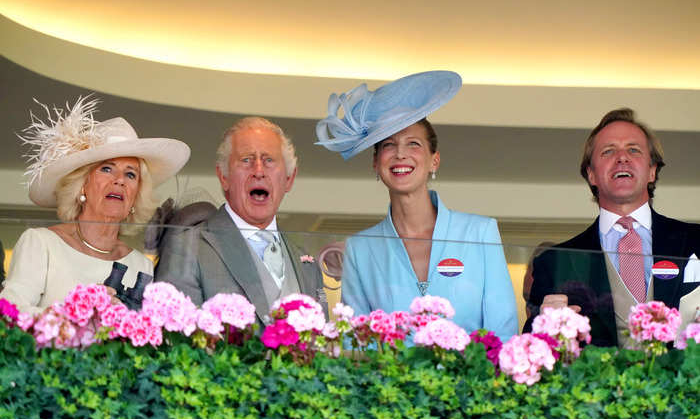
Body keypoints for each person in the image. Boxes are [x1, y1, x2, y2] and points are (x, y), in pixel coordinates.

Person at [316, 71, 518, 342]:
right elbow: (359, 346)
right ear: (375, 164)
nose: (400, 154)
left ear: (434, 161)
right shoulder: (359, 249)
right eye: (389, 145)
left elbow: (502, 336)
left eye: (413, 144)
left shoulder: (480, 233)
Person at [526, 108, 700, 347]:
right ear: (591, 175)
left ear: (652, 171)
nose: (622, 157)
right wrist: (546, 331)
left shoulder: (695, 240)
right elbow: (531, 350)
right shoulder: (555, 262)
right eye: (608, 151)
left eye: (633, 149)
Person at [1, 97, 190, 315]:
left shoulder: (141, 265)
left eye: (130, 174)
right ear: (82, 185)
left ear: (136, 195)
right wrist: (73, 314)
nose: (119, 180)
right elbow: (9, 313)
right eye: (107, 169)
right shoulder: (41, 243)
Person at [155, 116, 327, 324]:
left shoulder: (307, 262)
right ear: (224, 177)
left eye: (269, 160)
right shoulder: (185, 247)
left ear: (289, 178)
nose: (258, 171)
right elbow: (178, 344)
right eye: (246, 160)